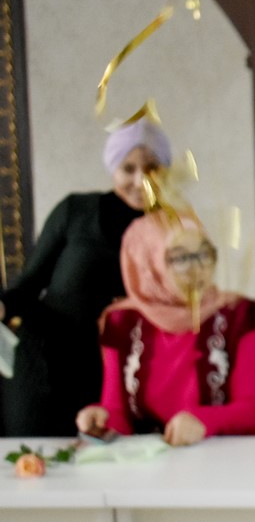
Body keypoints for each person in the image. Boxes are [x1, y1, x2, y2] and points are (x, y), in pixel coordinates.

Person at [0, 119, 169, 435]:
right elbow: (29, 284)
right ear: (113, 168)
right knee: (33, 457)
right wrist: (3, 306)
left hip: (116, 376)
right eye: (128, 168)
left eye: (152, 168)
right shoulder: (75, 211)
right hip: (44, 364)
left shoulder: (172, 230)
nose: (140, 180)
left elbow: (177, 306)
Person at [75, 212, 255, 445]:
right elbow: (118, 414)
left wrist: (203, 421)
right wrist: (102, 419)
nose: (198, 269)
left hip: (222, 455)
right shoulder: (122, 321)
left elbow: (253, 410)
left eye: (204, 254)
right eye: (180, 258)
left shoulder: (239, 313)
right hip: (149, 460)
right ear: (148, 264)